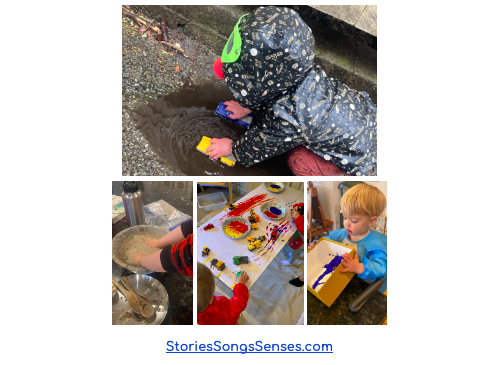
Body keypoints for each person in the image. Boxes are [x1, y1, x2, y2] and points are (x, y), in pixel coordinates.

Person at [207, 6, 377, 176]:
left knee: (297, 159)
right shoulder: (297, 68)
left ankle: (341, 179)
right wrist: (247, 106)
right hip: (371, 127)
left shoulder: (291, 116)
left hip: (364, 166)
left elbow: (263, 143)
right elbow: (272, 89)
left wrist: (231, 147)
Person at [308, 184, 387, 293]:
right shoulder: (342, 233)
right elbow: (328, 240)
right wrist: (318, 245)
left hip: (362, 287)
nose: (346, 224)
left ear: (371, 221)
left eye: (354, 221)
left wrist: (359, 267)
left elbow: (380, 268)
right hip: (342, 278)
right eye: (344, 217)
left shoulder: (376, 244)